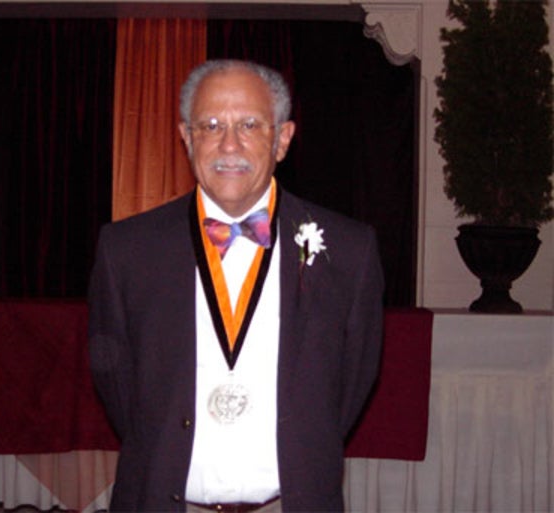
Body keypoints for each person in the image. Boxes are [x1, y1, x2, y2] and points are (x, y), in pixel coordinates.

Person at [89, 59, 384, 513]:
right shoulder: (126, 250)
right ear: (187, 138)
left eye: (249, 124)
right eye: (210, 125)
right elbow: (118, 387)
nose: (229, 144)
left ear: (282, 139)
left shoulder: (348, 251)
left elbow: (348, 391)